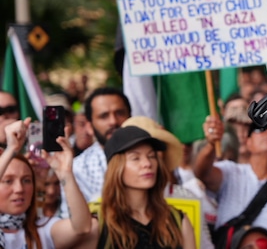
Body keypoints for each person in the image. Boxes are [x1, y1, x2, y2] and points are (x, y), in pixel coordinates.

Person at [195, 114, 267, 249]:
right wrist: (211, 144)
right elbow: (202, 174)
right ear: (248, 142)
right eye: (261, 127)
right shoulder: (230, 172)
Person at [89, 125, 196, 249]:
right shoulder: (99, 223)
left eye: (151, 156)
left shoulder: (178, 220)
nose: (147, 164)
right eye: (135, 158)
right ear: (116, 168)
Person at [0, 118, 94, 249]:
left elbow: (83, 228)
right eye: (8, 181)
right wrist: (11, 150)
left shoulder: (43, 228)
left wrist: (65, 172)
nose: (19, 189)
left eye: (26, 180)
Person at [73, 87, 132, 202]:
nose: (113, 121)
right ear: (89, 126)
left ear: (130, 117)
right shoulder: (80, 167)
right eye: (104, 116)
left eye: (119, 113)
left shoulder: (150, 157)